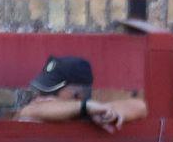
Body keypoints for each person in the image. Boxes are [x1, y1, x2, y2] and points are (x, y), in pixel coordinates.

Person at [15, 56, 148, 132]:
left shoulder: (92, 109)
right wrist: (85, 108)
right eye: (41, 92)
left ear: (78, 96)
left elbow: (140, 106)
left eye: (52, 92)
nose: (40, 99)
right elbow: (27, 112)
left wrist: (96, 112)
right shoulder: (35, 111)